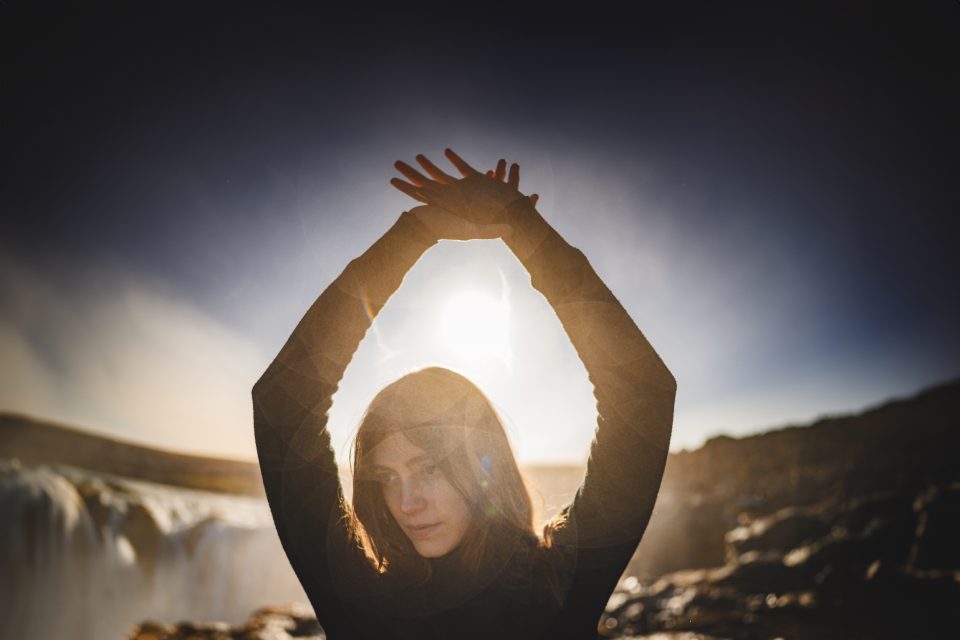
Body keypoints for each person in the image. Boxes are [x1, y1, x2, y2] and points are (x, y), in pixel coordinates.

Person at [252, 150, 677, 639]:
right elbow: (283, 402)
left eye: (429, 467)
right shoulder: (362, 602)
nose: (406, 502)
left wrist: (524, 230)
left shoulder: (558, 585)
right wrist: (417, 230)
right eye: (386, 477)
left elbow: (641, 392)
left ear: (482, 464)